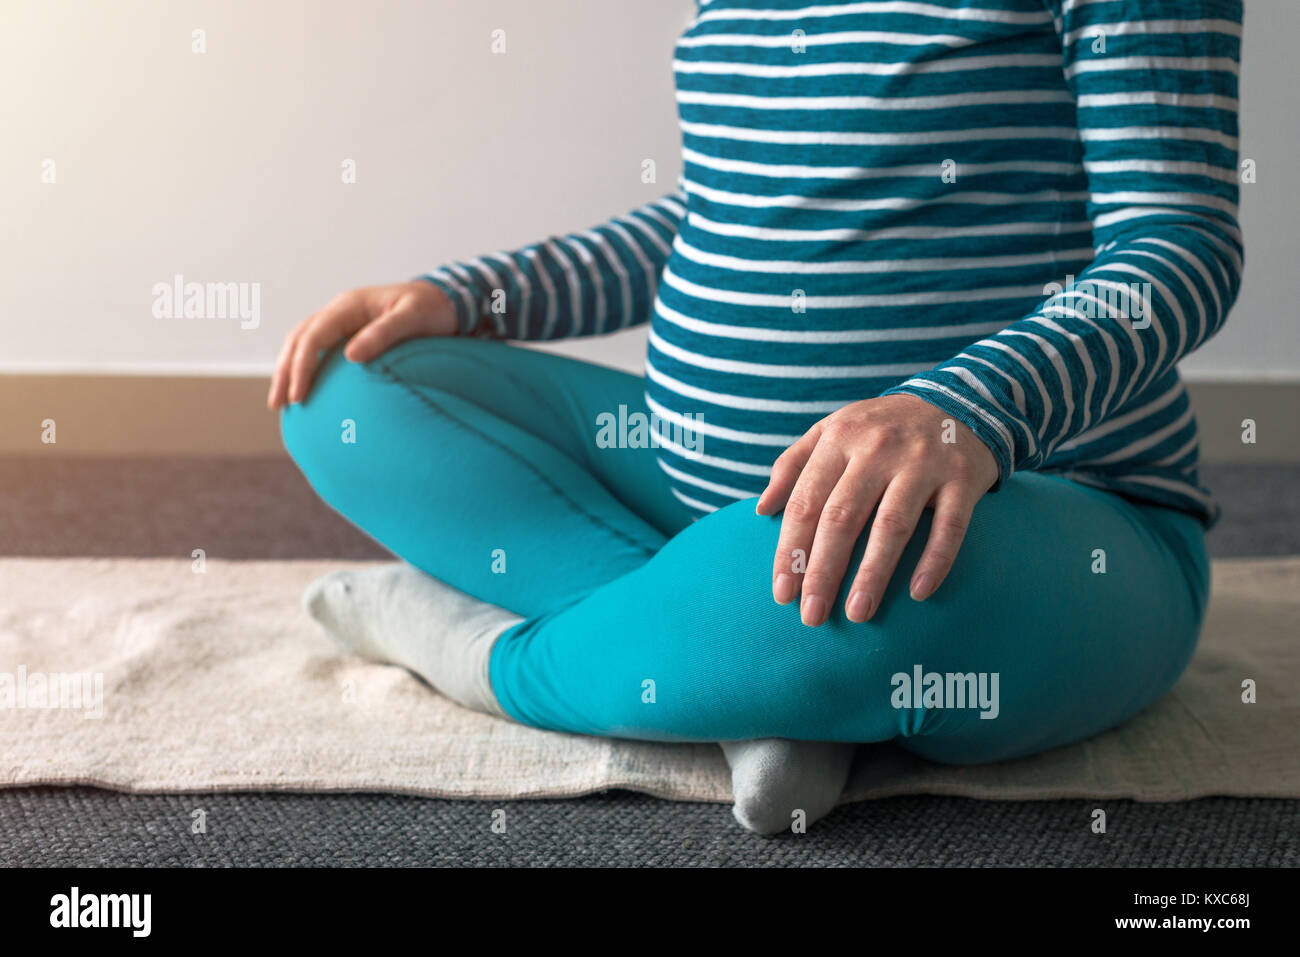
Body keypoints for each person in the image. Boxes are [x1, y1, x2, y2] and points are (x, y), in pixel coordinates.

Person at [270, 0, 1243, 834]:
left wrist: (961, 412)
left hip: (1047, 506)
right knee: (347, 389)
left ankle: (476, 650)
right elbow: (717, 213)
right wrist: (478, 295)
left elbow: (1178, 240)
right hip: (704, 490)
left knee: (891, 583)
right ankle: (738, 668)